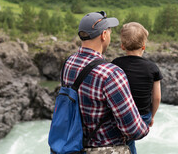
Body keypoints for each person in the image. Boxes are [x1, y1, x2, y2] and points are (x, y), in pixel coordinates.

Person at [61, 11, 149, 154]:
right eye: (109, 31)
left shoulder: (69, 63)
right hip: (107, 148)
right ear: (103, 35)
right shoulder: (111, 74)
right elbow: (133, 130)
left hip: (74, 146)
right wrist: (146, 125)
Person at [112, 22, 162, 154]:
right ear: (144, 47)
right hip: (142, 117)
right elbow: (156, 97)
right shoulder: (152, 68)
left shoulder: (115, 64)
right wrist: (151, 116)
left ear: (122, 46)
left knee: (125, 139)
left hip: (119, 116)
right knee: (129, 141)